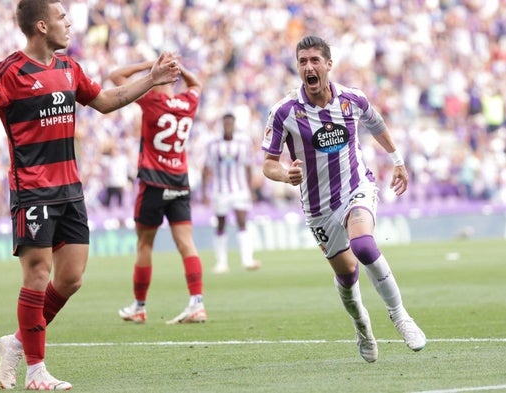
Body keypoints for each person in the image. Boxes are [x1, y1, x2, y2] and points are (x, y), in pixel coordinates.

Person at [0, 0, 180, 390]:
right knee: (38, 274)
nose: (68, 23)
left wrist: (151, 79)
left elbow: (105, 102)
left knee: (70, 279)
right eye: (61, 17)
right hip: (32, 190)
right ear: (41, 26)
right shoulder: (10, 71)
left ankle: (16, 343)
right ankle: (36, 371)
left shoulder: (70, 70)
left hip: (70, 190)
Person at [261, 35, 426, 363]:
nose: (309, 67)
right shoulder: (284, 112)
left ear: (328, 65)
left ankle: (400, 316)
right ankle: (362, 325)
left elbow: (376, 124)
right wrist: (285, 174)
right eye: (302, 62)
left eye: (314, 61)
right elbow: (267, 163)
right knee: (347, 277)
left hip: (356, 188)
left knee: (364, 246)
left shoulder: (352, 100)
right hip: (319, 208)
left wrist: (398, 162)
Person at [109, 59, 207, 325]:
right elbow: (196, 83)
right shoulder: (188, 102)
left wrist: (151, 65)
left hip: (153, 183)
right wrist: (181, 67)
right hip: (179, 182)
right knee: (187, 244)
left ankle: (139, 307)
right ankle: (197, 303)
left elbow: (116, 75)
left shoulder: (150, 100)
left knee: (144, 244)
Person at [202, 112, 260, 273]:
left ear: (234, 124)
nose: (228, 126)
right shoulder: (213, 144)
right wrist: (204, 192)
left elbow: (248, 166)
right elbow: (206, 168)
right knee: (221, 224)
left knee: (242, 221)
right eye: (225, 123)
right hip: (220, 190)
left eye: (230, 123)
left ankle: (247, 259)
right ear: (222, 124)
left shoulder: (243, 143)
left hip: (239, 189)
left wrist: (250, 189)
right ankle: (221, 262)